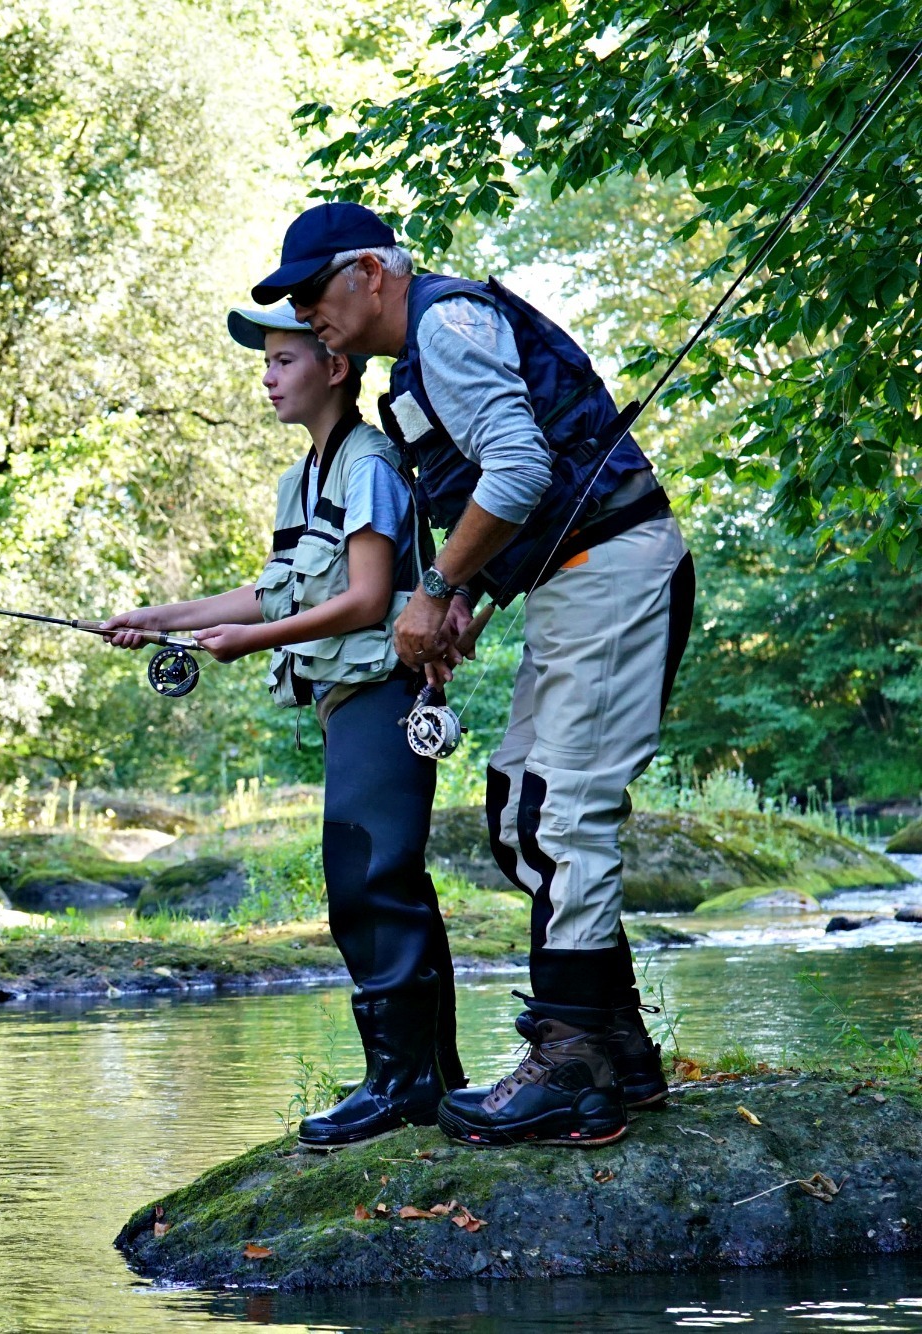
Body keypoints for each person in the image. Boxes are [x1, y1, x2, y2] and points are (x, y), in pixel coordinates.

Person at [252, 201, 696, 1148]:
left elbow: (521, 470)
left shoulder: (445, 325)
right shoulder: (423, 352)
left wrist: (438, 584)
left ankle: (573, 1062)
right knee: (513, 810)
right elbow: (516, 494)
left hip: (612, 567)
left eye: (314, 291)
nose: (307, 314)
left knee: (560, 812)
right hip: (570, 580)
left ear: (370, 271)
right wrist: (465, 600)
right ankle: (618, 1045)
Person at [102, 303, 464, 1150]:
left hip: (387, 693)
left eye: (283, 361)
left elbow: (369, 600)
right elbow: (271, 592)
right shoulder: (302, 480)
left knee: (371, 880)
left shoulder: (369, 465)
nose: (267, 377)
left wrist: (248, 643)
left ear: (334, 368)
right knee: (374, 878)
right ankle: (417, 1078)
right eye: (266, 363)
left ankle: (406, 1084)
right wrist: (162, 617)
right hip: (347, 705)